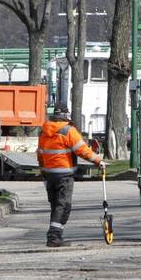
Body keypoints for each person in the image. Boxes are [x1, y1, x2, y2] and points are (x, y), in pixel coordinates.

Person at [37, 105, 104, 248]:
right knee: (63, 205)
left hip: (49, 174)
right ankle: (54, 237)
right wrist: (98, 160)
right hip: (64, 174)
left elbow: (40, 153)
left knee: (56, 206)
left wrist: (43, 172)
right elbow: (82, 150)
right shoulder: (69, 130)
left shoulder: (44, 130)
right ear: (66, 115)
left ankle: (56, 236)